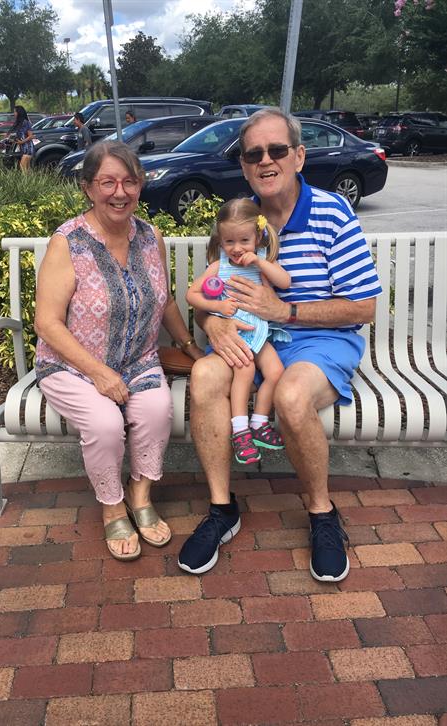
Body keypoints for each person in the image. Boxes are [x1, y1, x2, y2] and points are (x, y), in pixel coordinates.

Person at [179, 107, 382, 581]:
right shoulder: (240, 218)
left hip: (318, 341)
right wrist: (211, 325)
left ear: (299, 156)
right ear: (245, 164)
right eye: (254, 153)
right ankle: (221, 509)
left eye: (277, 150)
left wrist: (284, 311)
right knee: (206, 375)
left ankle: (321, 513)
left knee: (291, 395)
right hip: (250, 337)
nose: (266, 160)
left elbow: (362, 308)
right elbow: (206, 295)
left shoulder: (332, 212)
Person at [34, 140, 203, 561]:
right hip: (70, 367)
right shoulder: (67, 243)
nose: (120, 192)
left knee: (155, 410)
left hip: (140, 360)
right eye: (107, 181)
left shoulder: (150, 236)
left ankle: (140, 496)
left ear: (141, 185)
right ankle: (112, 506)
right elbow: (47, 323)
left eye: (130, 181)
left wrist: (187, 345)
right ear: (89, 188)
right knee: (106, 423)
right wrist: (99, 373)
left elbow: (163, 301)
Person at [186, 198, 290, 466]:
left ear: (258, 236)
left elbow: (284, 282)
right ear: (220, 242)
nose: (236, 248)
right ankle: (240, 431)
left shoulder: (261, 263)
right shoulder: (219, 267)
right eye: (229, 242)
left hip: (258, 331)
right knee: (244, 371)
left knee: (276, 372)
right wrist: (217, 305)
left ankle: (259, 424)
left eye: (244, 240)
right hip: (233, 334)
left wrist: (259, 261)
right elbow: (191, 295)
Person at [11, 105, 34, 172]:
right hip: (23, 148)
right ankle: (32, 181)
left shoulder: (26, 122)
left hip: (28, 148)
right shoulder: (19, 123)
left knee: (22, 167)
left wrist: (21, 142)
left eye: (15, 112)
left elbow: (31, 136)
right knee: (27, 169)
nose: (14, 113)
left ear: (19, 112)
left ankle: (27, 182)